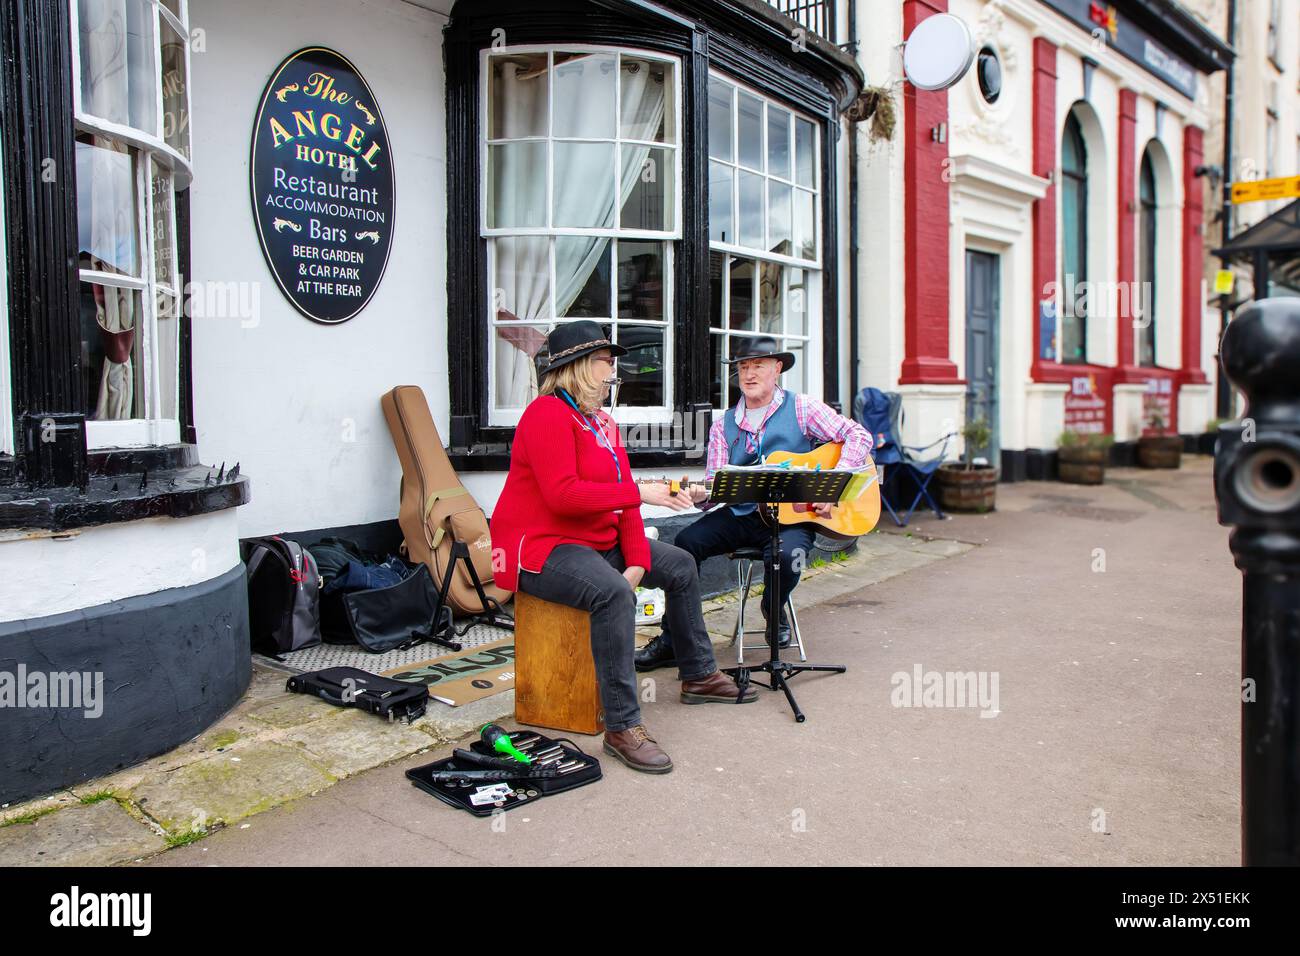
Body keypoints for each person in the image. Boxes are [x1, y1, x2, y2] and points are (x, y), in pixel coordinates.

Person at [490, 320, 756, 775]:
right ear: (576, 366)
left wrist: (636, 560)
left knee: (679, 563)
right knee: (612, 593)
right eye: (606, 363)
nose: (614, 372)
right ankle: (622, 726)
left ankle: (698, 674)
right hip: (540, 549)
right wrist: (640, 494)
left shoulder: (603, 422)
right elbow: (564, 495)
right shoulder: (546, 415)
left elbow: (624, 497)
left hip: (593, 543)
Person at [636, 336, 873, 671]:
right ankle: (675, 640)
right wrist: (698, 495)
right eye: (743, 367)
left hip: (793, 517)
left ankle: (773, 607)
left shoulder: (803, 408)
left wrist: (830, 487)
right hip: (743, 516)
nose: (749, 374)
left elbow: (859, 436)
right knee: (686, 543)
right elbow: (714, 483)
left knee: (787, 556)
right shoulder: (724, 424)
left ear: (776, 369)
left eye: (757, 365)